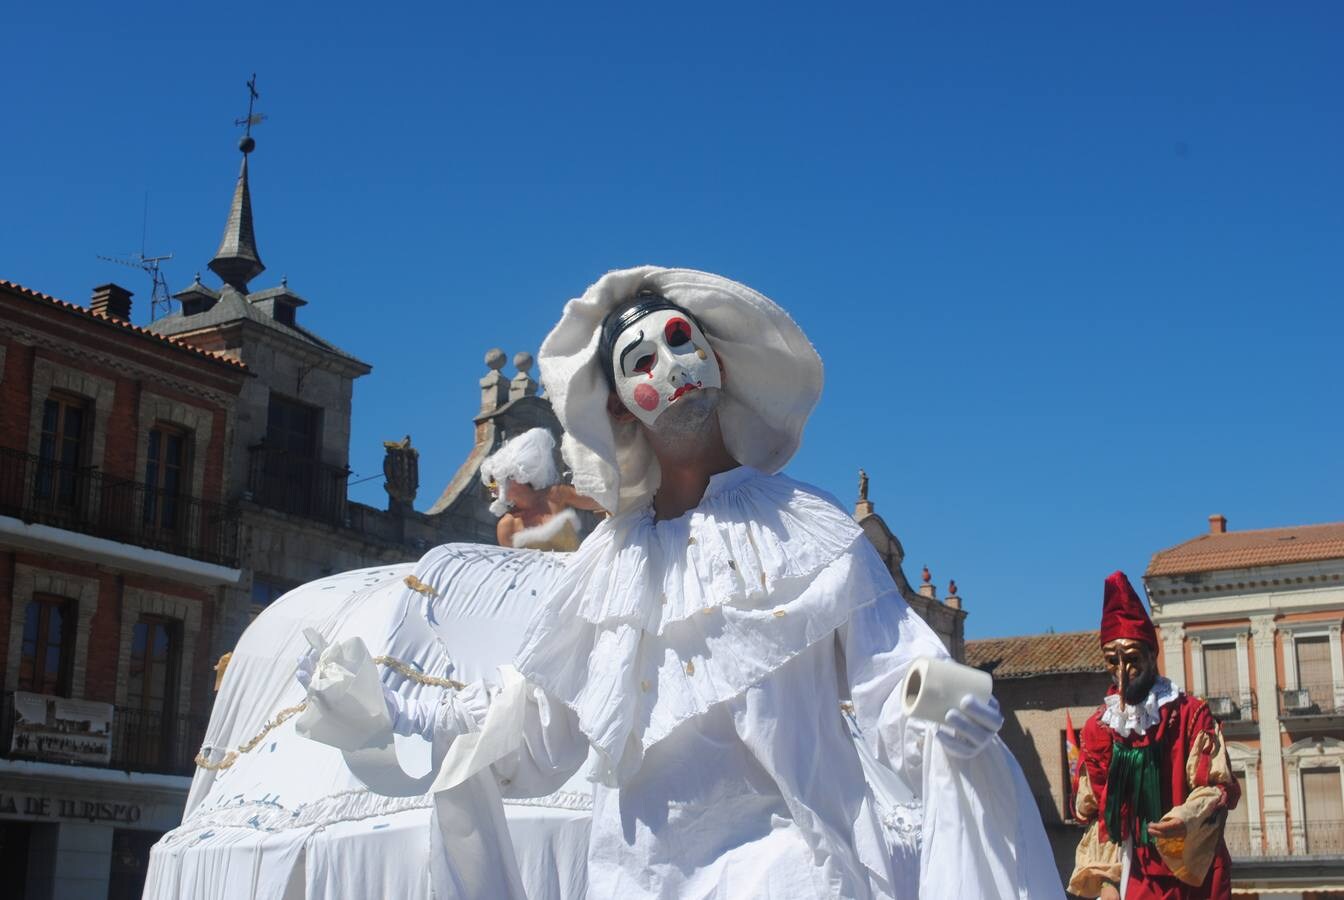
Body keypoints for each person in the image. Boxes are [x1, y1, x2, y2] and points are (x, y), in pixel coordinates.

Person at [301, 266, 1060, 899]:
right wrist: (389, 709)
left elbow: (893, 674)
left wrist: (945, 709)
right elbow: (532, 731)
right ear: (618, 406)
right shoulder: (606, 564)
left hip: (793, 874)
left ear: (718, 363)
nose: (668, 365)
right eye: (640, 362)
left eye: (679, 341)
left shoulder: (810, 525)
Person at [1069, 572, 1240, 899]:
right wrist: (1107, 879)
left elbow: (1218, 786)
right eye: (1111, 661)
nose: (1122, 673)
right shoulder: (1099, 729)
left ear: (1151, 656)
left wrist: (1184, 819)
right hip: (1132, 874)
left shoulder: (1190, 715)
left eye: (1132, 660)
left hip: (1193, 869)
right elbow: (1098, 814)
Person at [480, 426, 602, 551]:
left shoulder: (556, 494)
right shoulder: (506, 525)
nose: (491, 488)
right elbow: (512, 567)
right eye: (490, 485)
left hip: (577, 567)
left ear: (512, 477)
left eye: (494, 482)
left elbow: (602, 503)